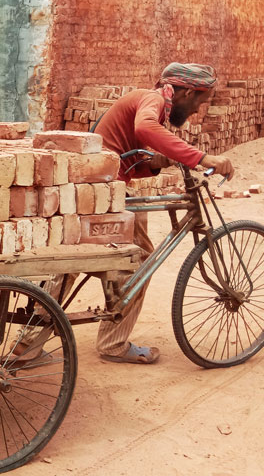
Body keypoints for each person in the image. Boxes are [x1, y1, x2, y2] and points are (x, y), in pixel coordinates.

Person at [32, 62, 233, 365]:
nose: (196, 112)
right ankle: (113, 343)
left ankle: (28, 345)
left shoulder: (151, 104)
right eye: (199, 103)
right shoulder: (152, 100)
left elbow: (128, 159)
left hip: (98, 186)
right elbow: (144, 129)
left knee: (72, 261)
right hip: (109, 190)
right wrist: (202, 158)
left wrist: (156, 163)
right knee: (138, 259)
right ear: (188, 92)